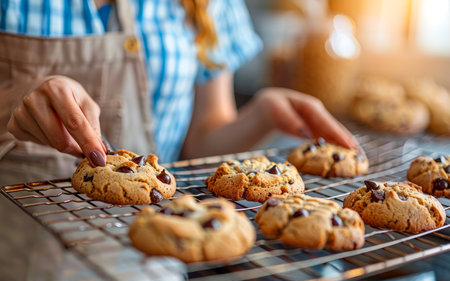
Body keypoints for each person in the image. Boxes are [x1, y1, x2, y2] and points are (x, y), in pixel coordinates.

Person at [0, 0, 359, 186]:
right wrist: (15, 101)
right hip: (24, 270)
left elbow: (200, 143)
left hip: (155, 258)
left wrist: (261, 114)